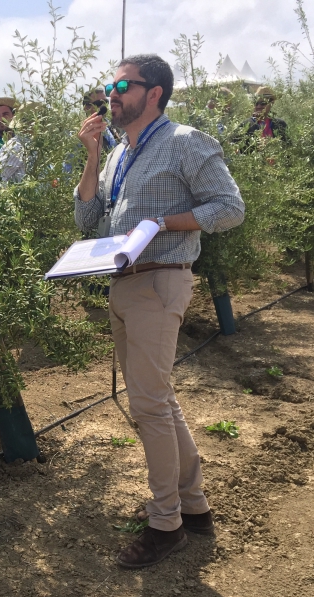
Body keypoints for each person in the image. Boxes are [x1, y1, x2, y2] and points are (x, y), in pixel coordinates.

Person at [75, 54, 245, 569]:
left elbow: (229, 208)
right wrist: (89, 154)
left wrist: (160, 224)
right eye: (110, 84)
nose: (112, 92)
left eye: (122, 84)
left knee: (148, 406)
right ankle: (192, 507)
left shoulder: (185, 142)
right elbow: (88, 219)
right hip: (123, 285)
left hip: (160, 281)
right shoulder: (116, 155)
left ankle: (165, 524)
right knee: (159, 401)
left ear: (154, 93)